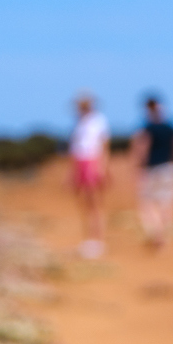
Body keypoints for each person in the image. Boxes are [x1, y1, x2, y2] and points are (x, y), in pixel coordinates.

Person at [134, 93, 173, 249]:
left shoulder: (147, 127)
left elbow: (142, 148)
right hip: (170, 169)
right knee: (166, 203)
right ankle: (163, 236)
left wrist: (137, 167)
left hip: (152, 169)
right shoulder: (171, 127)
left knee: (148, 204)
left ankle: (157, 233)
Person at [66, 94, 111, 257]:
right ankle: (89, 239)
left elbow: (104, 145)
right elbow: (75, 148)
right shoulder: (79, 123)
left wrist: (102, 167)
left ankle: (98, 240)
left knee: (95, 202)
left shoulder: (98, 121)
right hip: (80, 163)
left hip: (93, 162)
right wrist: (71, 171)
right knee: (83, 202)